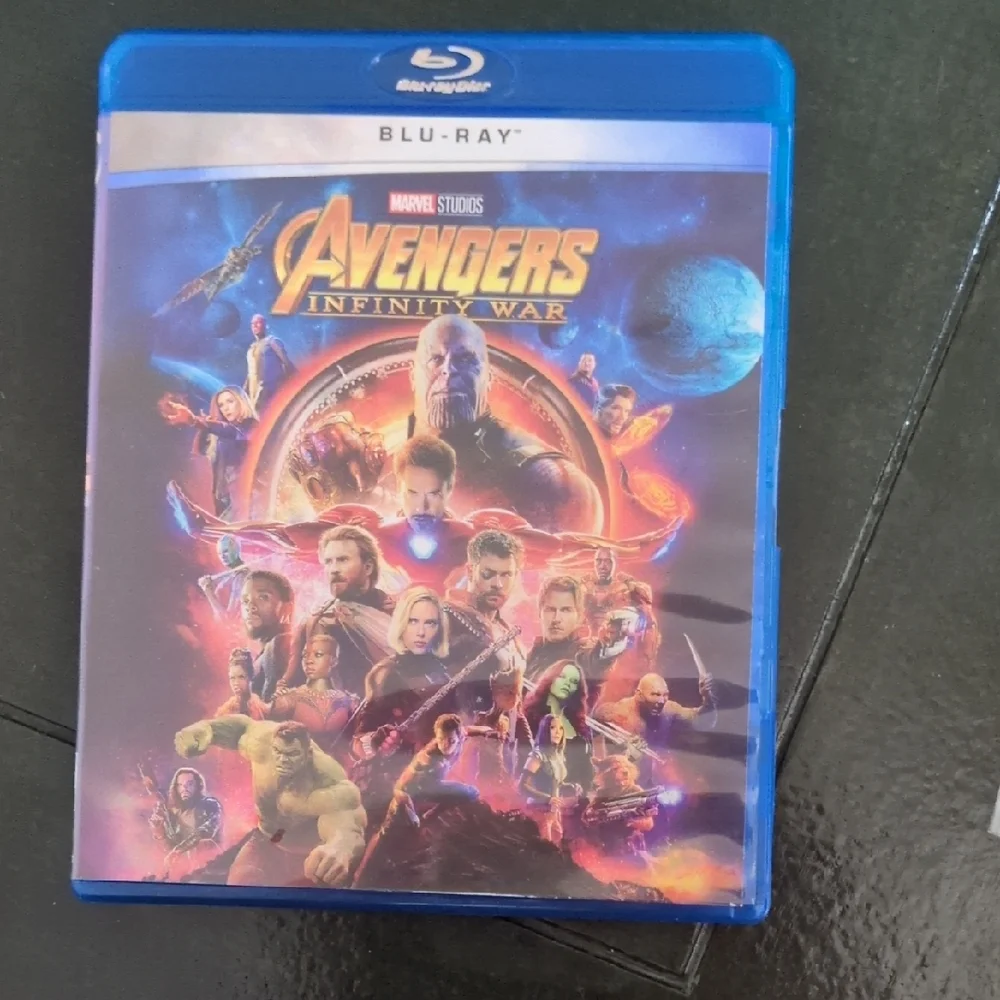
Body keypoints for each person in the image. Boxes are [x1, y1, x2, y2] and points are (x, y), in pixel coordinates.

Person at [165, 435, 677, 592]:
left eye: (433, 494)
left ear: (449, 488)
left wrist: (632, 550)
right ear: (400, 489)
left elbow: (562, 550)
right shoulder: (372, 532)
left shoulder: (478, 534)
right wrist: (215, 530)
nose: (423, 506)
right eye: (414, 494)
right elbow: (284, 536)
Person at [406, 315, 602, 532]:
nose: (448, 370)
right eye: (435, 359)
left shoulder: (550, 480)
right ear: (413, 378)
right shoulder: (385, 466)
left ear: (488, 377)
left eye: (465, 359)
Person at [174, 717, 366, 886]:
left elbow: (348, 810)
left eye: (292, 754)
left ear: (307, 754)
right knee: (239, 884)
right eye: (278, 752)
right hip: (264, 840)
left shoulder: (324, 771)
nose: (283, 760)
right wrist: (207, 729)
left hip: (308, 854)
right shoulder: (263, 742)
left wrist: (340, 845)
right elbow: (242, 729)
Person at [285, 524, 396, 696]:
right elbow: (292, 683)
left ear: (368, 567)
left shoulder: (398, 612)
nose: (334, 569)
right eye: (328, 562)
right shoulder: (315, 622)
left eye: (343, 560)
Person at [525, 575, 635, 704]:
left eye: (566, 610)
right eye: (550, 609)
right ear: (540, 612)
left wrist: (610, 645)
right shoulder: (534, 653)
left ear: (579, 616)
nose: (556, 618)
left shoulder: (580, 654)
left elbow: (595, 660)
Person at [593, 672, 715, 784]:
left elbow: (703, 722)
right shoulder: (618, 712)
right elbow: (592, 736)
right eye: (655, 694)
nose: (661, 700)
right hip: (619, 784)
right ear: (639, 694)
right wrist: (624, 758)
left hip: (652, 784)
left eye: (665, 695)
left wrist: (708, 698)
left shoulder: (669, 709)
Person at [162, 386, 257, 519]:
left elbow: (232, 432)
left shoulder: (251, 425)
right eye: (221, 405)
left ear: (241, 402)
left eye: (230, 401)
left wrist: (195, 420)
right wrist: (204, 426)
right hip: (227, 498)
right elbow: (200, 449)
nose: (226, 408)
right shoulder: (221, 435)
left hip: (251, 495)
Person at [269, 635, 359, 756]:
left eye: (318, 655)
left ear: (334, 661)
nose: (308, 661)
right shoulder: (287, 700)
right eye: (305, 655)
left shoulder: (350, 702)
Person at [523, 659, 593, 787]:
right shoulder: (530, 717)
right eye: (562, 676)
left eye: (574, 682)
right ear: (551, 678)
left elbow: (587, 771)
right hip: (542, 793)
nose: (567, 684)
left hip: (577, 795)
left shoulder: (582, 728)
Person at [145, 767, 223, 876]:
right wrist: (159, 833)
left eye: (189, 784)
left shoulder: (210, 804)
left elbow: (206, 832)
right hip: (185, 870)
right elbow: (169, 850)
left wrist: (178, 850)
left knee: (204, 843)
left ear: (198, 786)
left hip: (210, 867)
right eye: (180, 785)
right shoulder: (172, 814)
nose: (184, 788)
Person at [518, 714, 581, 843]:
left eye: (561, 728)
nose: (558, 732)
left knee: (556, 846)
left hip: (554, 812)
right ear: (545, 730)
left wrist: (570, 786)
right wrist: (548, 799)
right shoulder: (537, 755)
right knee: (545, 848)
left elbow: (554, 782)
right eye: (553, 728)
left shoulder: (558, 755)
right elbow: (522, 786)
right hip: (538, 811)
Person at [471, 665, 533, 787]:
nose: (514, 698)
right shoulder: (481, 717)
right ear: (496, 693)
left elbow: (528, 750)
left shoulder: (517, 720)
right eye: (509, 693)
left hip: (505, 782)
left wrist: (518, 777)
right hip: (483, 779)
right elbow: (471, 750)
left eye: (517, 693)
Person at [238, 570, 294, 702]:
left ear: (287, 608)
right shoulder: (268, 650)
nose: (250, 606)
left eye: (263, 597)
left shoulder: (279, 644)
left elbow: (272, 705)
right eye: (245, 601)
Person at [244, 313, 296, 413]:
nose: (255, 326)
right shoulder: (251, 348)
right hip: (254, 395)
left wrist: (292, 383)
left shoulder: (272, 341)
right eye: (252, 324)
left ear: (264, 324)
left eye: (258, 323)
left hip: (270, 392)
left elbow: (287, 363)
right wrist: (243, 391)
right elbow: (250, 373)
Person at [197, 534, 252, 621]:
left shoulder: (241, 577)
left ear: (236, 550)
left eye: (226, 551)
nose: (222, 556)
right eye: (219, 553)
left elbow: (229, 618)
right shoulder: (232, 575)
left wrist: (208, 591)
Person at [214, 648, 269, 720]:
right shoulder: (226, 711)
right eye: (232, 678)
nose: (236, 683)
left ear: (250, 676)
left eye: (241, 677)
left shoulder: (259, 705)